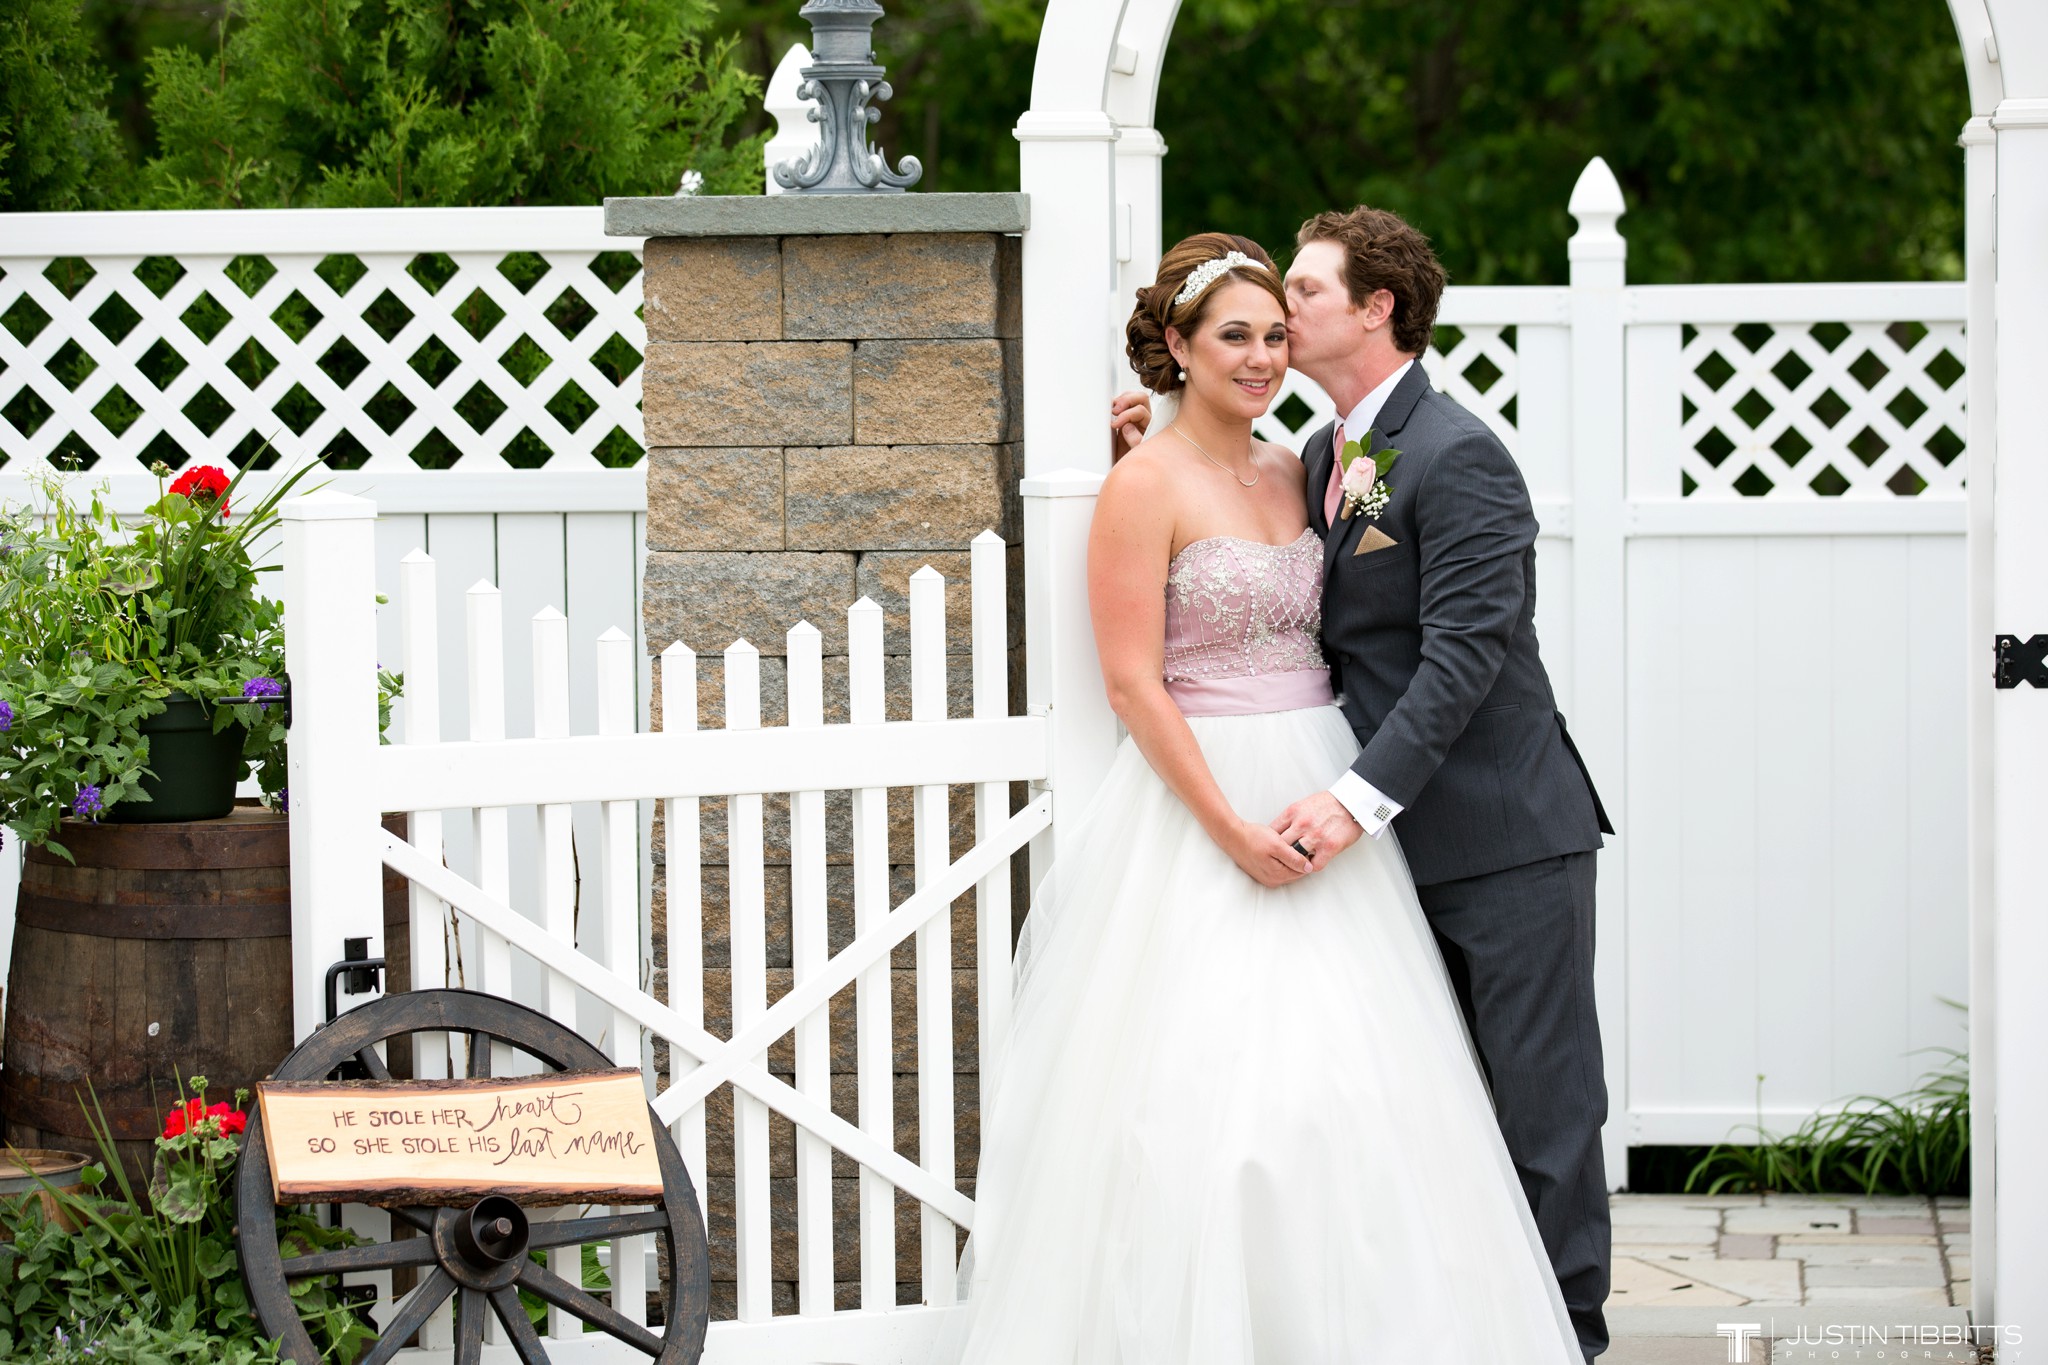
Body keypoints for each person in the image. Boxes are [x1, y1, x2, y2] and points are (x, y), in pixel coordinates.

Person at [938, 231, 1585, 1364]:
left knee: (1418, 1097)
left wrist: (1346, 800)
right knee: (1215, 1094)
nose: (1263, 352)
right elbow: (1132, 681)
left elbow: (1447, 647)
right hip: (1221, 799)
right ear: (1179, 346)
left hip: (1361, 796)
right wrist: (1231, 826)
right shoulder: (1170, 478)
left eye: (1280, 328)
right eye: (1236, 333)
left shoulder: (1320, 465)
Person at [1109, 209, 1616, 1361]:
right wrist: (1139, 444)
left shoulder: (1456, 453)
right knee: (1414, 1118)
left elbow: (1463, 656)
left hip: (1498, 833)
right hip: (1378, 850)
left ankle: (1569, 1339)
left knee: (1540, 1112)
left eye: (1303, 293)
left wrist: (1349, 800)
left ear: (1374, 307)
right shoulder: (1322, 456)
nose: (1281, 314)